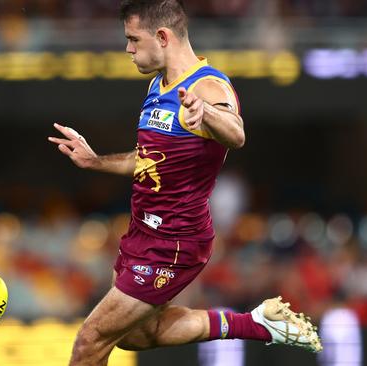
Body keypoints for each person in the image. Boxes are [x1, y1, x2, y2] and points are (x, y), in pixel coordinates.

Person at [48, 1, 322, 364]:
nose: (128, 49)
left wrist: (205, 111)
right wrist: (94, 160)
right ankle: (257, 324)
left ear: (162, 37)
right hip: (142, 234)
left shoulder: (208, 87)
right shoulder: (157, 86)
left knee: (90, 340)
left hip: (173, 241)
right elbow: (148, 159)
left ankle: (257, 324)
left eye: (133, 39)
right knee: (135, 336)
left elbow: (236, 133)